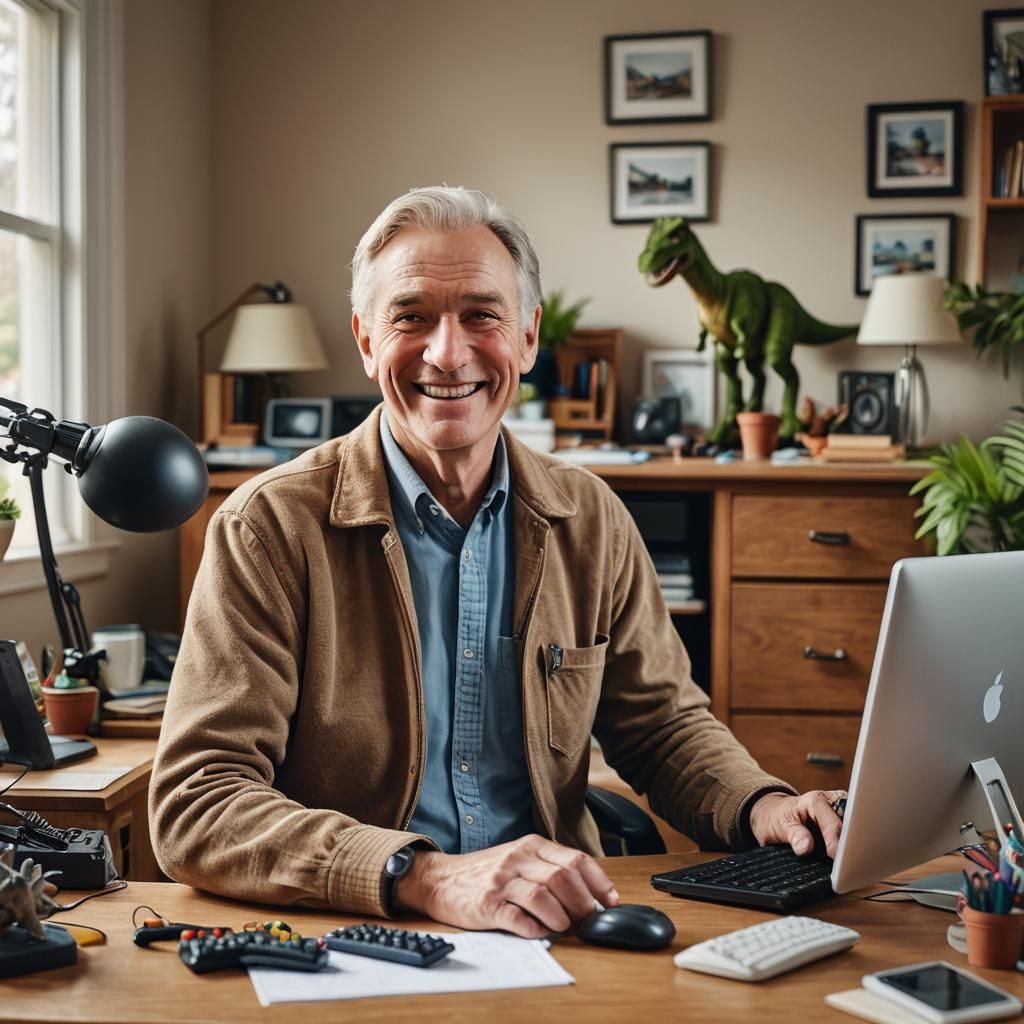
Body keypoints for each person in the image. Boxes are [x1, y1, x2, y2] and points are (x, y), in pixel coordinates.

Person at [150, 186, 844, 939]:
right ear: (366, 340)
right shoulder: (268, 527)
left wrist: (763, 805)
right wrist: (423, 876)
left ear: (528, 338)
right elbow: (199, 802)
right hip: (358, 933)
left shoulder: (592, 519)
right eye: (411, 317)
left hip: (559, 924)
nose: (448, 354)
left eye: (482, 314)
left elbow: (663, 727)